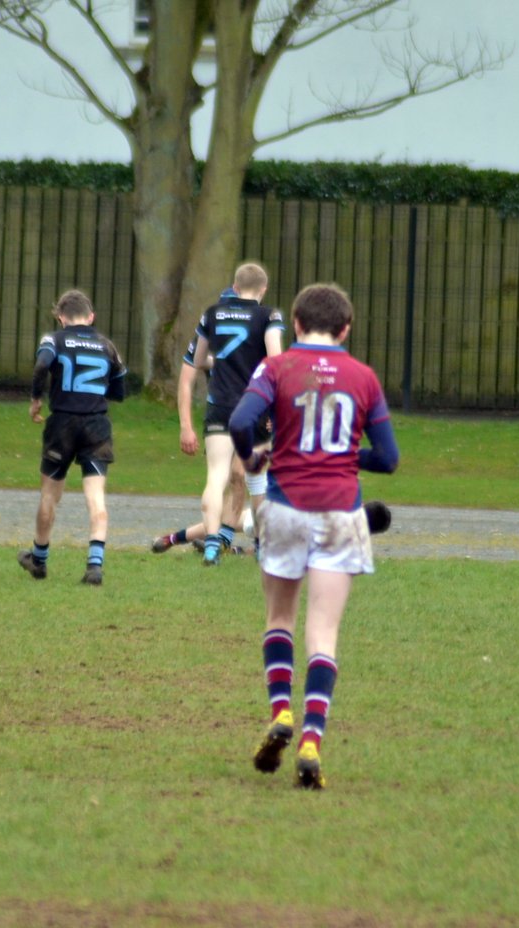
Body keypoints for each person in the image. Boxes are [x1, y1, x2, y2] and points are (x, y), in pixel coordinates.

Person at [229, 282, 399, 790]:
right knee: (323, 635)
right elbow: (389, 458)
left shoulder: (277, 367)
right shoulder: (363, 377)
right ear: (346, 330)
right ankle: (309, 742)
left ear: (297, 324)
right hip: (341, 513)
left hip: (284, 509)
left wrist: (253, 457)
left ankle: (281, 711)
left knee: (279, 618)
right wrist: (345, 456)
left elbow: (240, 421)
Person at [151, 264, 283, 565]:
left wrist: (219, 362)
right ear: (263, 290)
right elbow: (276, 361)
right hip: (255, 406)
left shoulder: (213, 314)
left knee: (217, 477)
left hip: (221, 406)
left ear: (235, 287)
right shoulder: (268, 316)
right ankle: (260, 546)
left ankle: (212, 545)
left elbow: (197, 361)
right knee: (257, 480)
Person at [16, 289, 128, 586]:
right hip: (97, 426)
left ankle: (39, 560)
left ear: (60, 317)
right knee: (96, 496)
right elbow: (119, 390)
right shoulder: (107, 346)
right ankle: (95, 566)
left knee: (49, 495)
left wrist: (36, 399)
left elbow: (42, 366)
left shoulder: (53, 340)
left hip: (62, 425)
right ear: (91, 317)